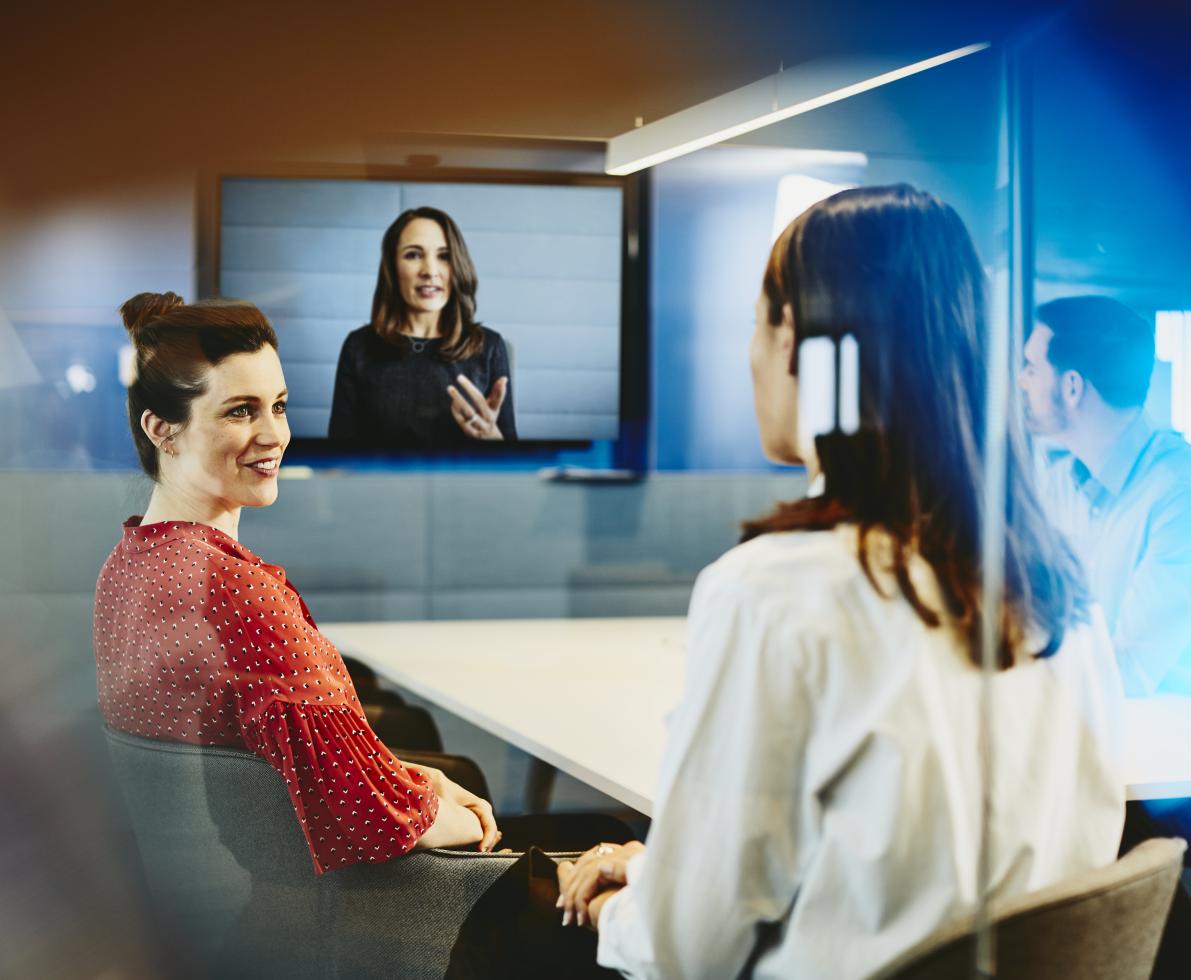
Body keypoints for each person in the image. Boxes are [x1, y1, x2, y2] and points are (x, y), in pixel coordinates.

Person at [556, 185, 1126, 978]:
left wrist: (617, 907)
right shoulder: (1058, 589)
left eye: (753, 324)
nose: (749, 354)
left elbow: (686, 950)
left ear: (793, 338)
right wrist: (656, 875)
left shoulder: (775, 590)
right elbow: (916, 887)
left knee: (520, 905)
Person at [94, 291, 501, 875]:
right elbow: (370, 816)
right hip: (323, 910)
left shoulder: (129, 562)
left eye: (278, 407)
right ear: (163, 430)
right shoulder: (235, 594)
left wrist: (420, 779)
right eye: (240, 411)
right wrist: (465, 818)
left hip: (217, 903)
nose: (274, 435)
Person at [1019, 295, 1191, 697]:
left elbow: (1129, 669)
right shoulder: (1058, 484)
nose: (1022, 380)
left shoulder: (1179, 494)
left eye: (1031, 368)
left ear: (1073, 386)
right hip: (1081, 730)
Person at [328, 207, 517, 447]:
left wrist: (493, 440)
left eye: (444, 256)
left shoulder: (490, 347)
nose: (429, 271)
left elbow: (512, 462)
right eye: (413, 255)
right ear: (392, 268)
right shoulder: (359, 347)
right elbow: (338, 457)